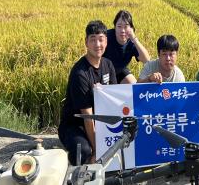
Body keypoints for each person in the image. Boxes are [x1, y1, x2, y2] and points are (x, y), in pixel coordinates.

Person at [58, 20, 117, 165]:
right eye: (93, 40)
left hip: (100, 122)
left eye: (101, 39)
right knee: (85, 151)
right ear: (86, 42)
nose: (97, 45)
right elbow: (87, 117)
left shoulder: (108, 65)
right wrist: (98, 150)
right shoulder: (80, 73)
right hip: (75, 125)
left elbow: (114, 98)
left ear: (106, 41)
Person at [104, 9, 150, 84]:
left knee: (133, 86)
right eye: (119, 26)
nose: (122, 30)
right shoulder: (107, 37)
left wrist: (134, 39)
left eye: (126, 27)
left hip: (120, 71)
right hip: (104, 72)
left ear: (131, 28)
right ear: (114, 27)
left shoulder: (132, 42)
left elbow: (147, 60)